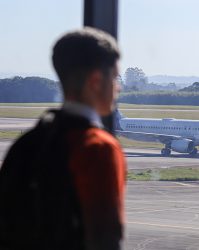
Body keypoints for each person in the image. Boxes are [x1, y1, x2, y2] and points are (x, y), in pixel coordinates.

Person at [0, 28, 126, 250]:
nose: (119, 87)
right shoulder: (98, 148)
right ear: (96, 81)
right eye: (115, 77)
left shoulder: (25, 144)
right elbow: (105, 239)